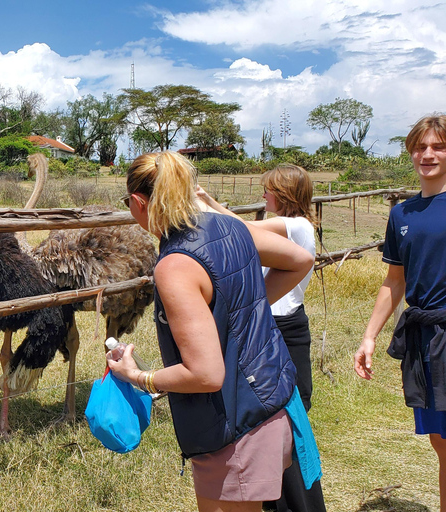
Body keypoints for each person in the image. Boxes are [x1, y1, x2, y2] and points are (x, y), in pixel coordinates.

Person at [107, 151, 315, 512]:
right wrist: (244, 308)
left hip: (234, 428)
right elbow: (300, 260)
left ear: (139, 203)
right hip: (270, 405)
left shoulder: (175, 266)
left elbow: (205, 374)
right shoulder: (231, 227)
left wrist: (138, 375)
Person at [198, 165, 326, 512]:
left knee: (288, 424)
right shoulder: (297, 226)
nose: (264, 196)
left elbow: (243, 230)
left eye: (269, 190)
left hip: (284, 328)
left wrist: (206, 202)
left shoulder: (295, 225)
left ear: (284, 195)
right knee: (278, 424)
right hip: (282, 325)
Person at [354, 115, 446, 511]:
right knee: (441, 441)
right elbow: (395, 281)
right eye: (420, 146)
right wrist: (370, 336)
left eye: (438, 146)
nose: (428, 154)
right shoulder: (402, 215)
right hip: (424, 338)